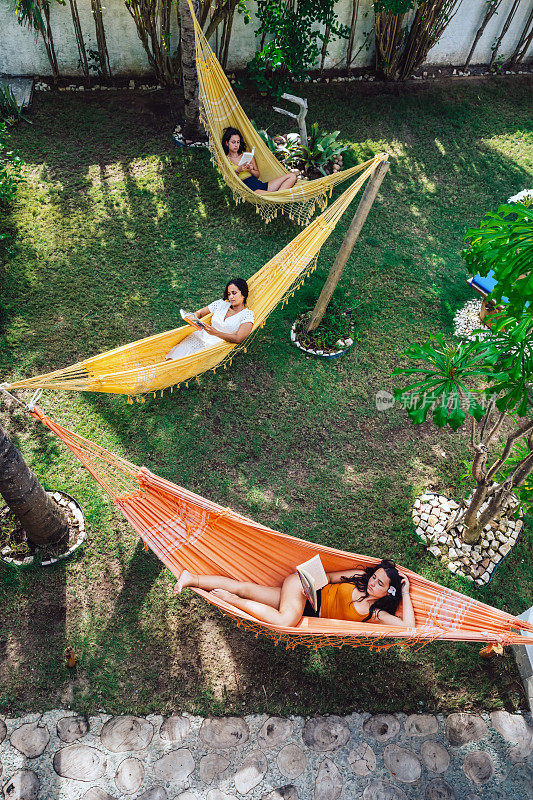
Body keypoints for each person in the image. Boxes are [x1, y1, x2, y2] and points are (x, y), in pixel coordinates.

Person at [174, 559, 415, 628]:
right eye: (375, 577)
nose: (373, 582)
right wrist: (308, 586)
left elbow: (409, 627)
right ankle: (235, 602)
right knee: (285, 621)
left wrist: (405, 592)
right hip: (302, 589)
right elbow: (328, 577)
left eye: (379, 583)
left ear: (388, 592)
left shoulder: (375, 614)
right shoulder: (359, 577)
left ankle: (192, 579)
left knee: (246, 587)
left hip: (307, 608)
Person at [166, 278, 254, 360]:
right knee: (173, 356)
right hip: (200, 336)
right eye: (229, 294)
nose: (231, 297)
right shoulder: (220, 304)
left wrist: (215, 333)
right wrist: (192, 317)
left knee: (185, 362)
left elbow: (238, 338)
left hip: (215, 346)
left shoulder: (247, 314)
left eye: (234, 293)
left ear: (243, 294)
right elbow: (200, 313)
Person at [221, 127, 298, 194]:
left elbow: (257, 175)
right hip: (250, 190)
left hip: (260, 185)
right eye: (233, 142)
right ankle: (277, 195)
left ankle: (278, 196)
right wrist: (238, 170)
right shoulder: (226, 160)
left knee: (292, 176)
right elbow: (230, 180)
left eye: (238, 142)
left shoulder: (247, 155)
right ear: (227, 143)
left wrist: (251, 170)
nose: (236, 145)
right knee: (266, 195)